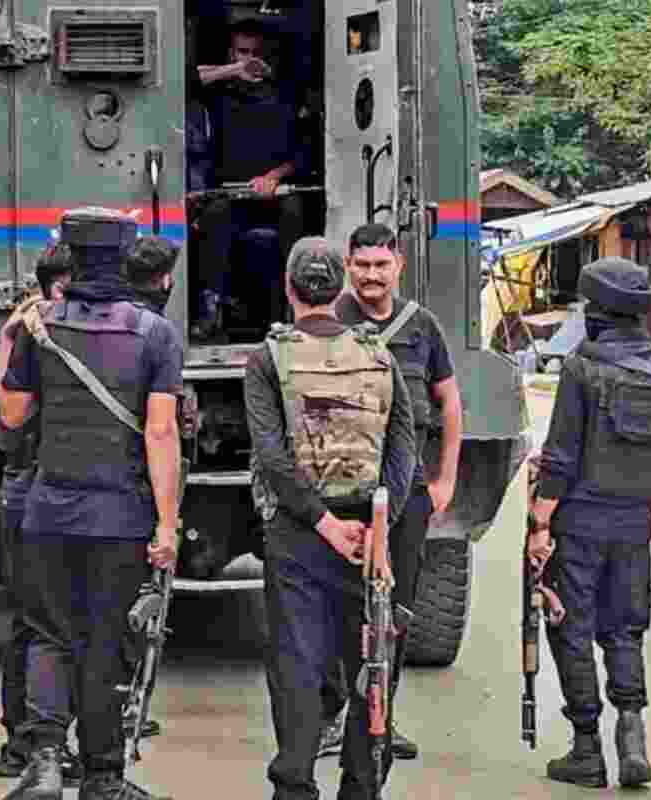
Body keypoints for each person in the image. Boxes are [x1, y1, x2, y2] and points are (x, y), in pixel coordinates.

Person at [0, 209, 184, 800]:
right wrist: (167, 523)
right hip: (119, 515)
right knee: (105, 640)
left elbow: (12, 414)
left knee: (48, 633)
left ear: (71, 259)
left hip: (49, 509)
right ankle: (102, 776)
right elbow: (161, 433)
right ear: (127, 260)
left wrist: (15, 346)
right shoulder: (155, 334)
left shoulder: (39, 327)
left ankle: (46, 762)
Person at [246, 237, 416, 800]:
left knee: (297, 665)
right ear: (341, 286)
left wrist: (323, 524)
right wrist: (378, 528)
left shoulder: (268, 358)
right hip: (368, 533)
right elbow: (403, 448)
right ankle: (361, 787)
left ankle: (294, 786)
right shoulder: (378, 352)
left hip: (299, 532)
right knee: (371, 660)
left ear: (288, 288)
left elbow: (272, 457)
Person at [526, 256, 651, 789]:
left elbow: (560, 457)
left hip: (577, 525)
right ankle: (632, 737)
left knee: (570, 627)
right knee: (624, 630)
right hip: (632, 528)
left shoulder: (581, 369)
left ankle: (587, 750)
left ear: (598, 312)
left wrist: (540, 523)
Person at [316, 223, 464, 763]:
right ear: (348, 267)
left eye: (381, 265)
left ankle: (380, 716)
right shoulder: (328, 321)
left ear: (399, 265)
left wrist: (445, 480)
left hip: (406, 489)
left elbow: (449, 403)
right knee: (338, 607)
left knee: (394, 610)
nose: (372, 276)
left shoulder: (421, 325)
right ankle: (332, 718)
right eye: (362, 266)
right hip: (341, 491)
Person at [0, 243, 77, 783]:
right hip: (29, 489)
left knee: (46, 623)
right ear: (55, 288)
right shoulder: (27, 337)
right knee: (35, 623)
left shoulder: (49, 334)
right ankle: (22, 744)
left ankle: (38, 742)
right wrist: (8, 341)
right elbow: (10, 420)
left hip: (41, 490)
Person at [189, 18, 312, 337]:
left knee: (295, 213)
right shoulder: (218, 93)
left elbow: (305, 152)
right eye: (243, 52)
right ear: (231, 53)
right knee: (214, 218)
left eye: (256, 53)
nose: (251, 60)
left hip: (276, 192)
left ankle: (293, 309)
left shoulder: (286, 94)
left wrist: (274, 177)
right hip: (228, 195)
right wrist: (234, 70)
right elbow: (185, 77)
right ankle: (212, 309)